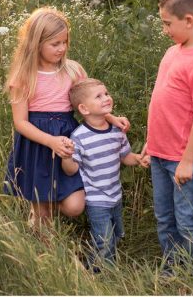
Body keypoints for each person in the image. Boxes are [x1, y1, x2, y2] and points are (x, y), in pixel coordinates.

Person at [3, 7, 130, 228]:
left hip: (69, 140)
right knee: (41, 208)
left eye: (64, 42)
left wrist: (111, 118)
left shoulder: (73, 70)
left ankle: (42, 214)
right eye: (55, 44)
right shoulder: (24, 77)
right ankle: (45, 240)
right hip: (37, 144)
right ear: (36, 43)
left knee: (74, 206)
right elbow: (20, 122)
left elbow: (90, 100)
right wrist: (50, 141)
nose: (62, 48)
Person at [140, 0, 193, 272]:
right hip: (161, 152)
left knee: (187, 218)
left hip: (183, 159)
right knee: (164, 217)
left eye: (167, 23)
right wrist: (151, 141)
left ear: (189, 20)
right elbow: (159, 100)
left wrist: (187, 161)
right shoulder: (174, 52)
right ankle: (173, 269)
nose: (165, 30)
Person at [61, 78, 142, 269]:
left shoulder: (117, 130)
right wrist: (67, 156)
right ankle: (101, 274)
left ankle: (92, 264)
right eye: (99, 96)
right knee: (104, 240)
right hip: (96, 199)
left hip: (115, 195)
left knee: (114, 236)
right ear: (84, 109)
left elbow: (126, 156)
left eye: (106, 93)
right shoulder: (79, 136)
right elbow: (71, 169)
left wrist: (139, 159)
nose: (106, 98)